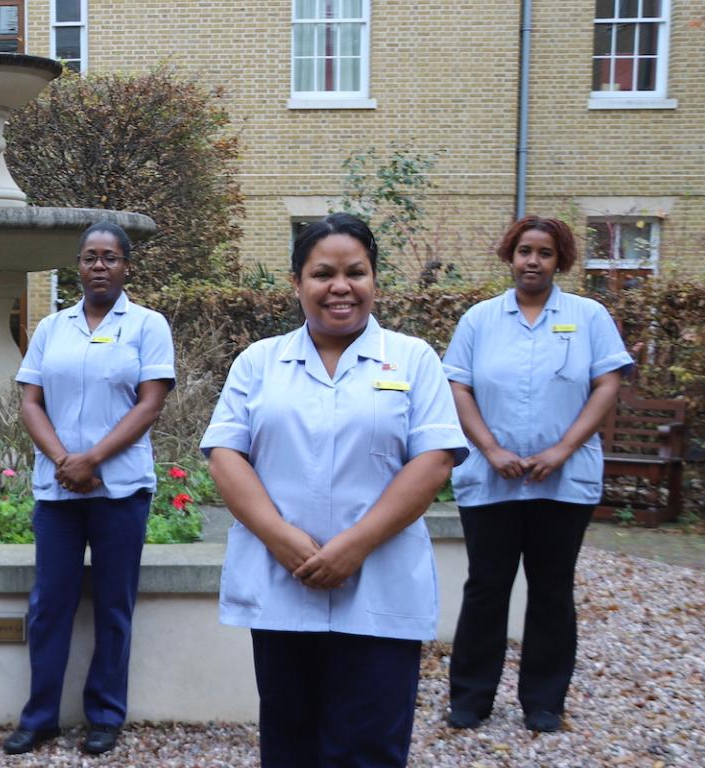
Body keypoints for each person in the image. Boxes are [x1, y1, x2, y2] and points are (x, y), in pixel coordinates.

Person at [201, 213, 468, 768]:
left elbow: (435, 459)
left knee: (369, 748)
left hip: (379, 587)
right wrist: (278, 537)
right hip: (283, 583)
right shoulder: (259, 361)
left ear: (375, 281)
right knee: (290, 744)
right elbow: (226, 455)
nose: (340, 286)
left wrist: (356, 545)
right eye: (323, 273)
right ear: (297, 283)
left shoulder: (413, 358)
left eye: (356, 272)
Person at [442, 216, 633, 734]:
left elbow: (606, 385)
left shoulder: (589, 316)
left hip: (563, 481)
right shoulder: (479, 320)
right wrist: (491, 449)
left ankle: (544, 703)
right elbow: (457, 388)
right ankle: (471, 700)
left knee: (552, 588)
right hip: (491, 479)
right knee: (486, 586)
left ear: (560, 261)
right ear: (511, 256)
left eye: (544, 253)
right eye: (524, 250)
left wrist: (563, 450)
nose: (532, 261)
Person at [2, 220, 174, 756]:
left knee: (113, 605)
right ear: (77, 266)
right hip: (58, 493)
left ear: (126, 266)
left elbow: (150, 402)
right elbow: (30, 401)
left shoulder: (147, 325)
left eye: (110, 258)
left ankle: (104, 715)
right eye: (90, 257)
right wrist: (63, 461)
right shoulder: (53, 328)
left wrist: (94, 459)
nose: (99, 266)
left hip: (120, 489)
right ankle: (41, 716)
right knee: (49, 603)